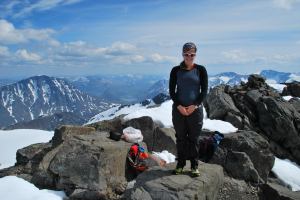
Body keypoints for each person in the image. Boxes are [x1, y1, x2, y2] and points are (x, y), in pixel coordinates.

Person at [169, 42, 208, 177]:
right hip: (179, 110)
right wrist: (179, 106)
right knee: (180, 138)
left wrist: (195, 105)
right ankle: (180, 164)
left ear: (195, 55)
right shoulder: (175, 70)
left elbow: (204, 91)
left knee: (194, 138)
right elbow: (172, 91)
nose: (189, 57)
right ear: (182, 54)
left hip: (195, 110)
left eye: (192, 54)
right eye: (186, 54)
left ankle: (194, 165)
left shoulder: (201, 70)